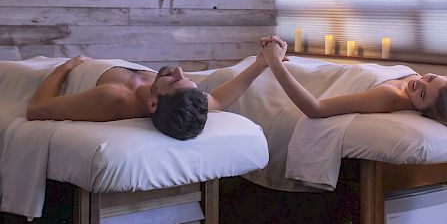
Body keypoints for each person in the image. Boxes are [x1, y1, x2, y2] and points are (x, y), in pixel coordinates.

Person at [259, 36, 447, 224]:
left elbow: (316, 109)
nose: (419, 82)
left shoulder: (390, 97)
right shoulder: (414, 85)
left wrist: (274, 62)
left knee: (242, 78)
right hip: (315, 70)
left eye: (423, 94)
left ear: (423, 111)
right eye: (430, 77)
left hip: (307, 79)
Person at [26, 51, 276, 141]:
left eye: (174, 79)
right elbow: (220, 100)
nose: (177, 70)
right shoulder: (181, 99)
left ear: (153, 103)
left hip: (41, 75)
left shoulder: (115, 98)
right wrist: (261, 64)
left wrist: (66, 67)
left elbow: (36, 109)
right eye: (183, 77)